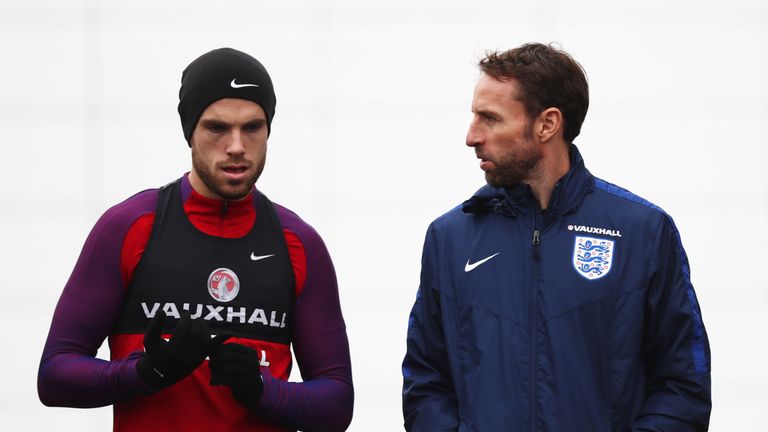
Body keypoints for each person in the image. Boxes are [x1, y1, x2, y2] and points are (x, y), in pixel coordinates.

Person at [38, 48, 353, 432]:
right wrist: (146, 372)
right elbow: (54, 375)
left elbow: (337, 404)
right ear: (191, 132)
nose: (236, 145)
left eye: (252, 127)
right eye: (217, 128)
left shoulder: (298, 243)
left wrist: (261, 390)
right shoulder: (130, 227)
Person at [402, 43, 711, 431]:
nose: (471, 136)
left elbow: (683, 384)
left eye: (491, 119)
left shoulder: (643, 231)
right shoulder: (450, 237)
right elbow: (425, 381)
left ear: (547, 124)